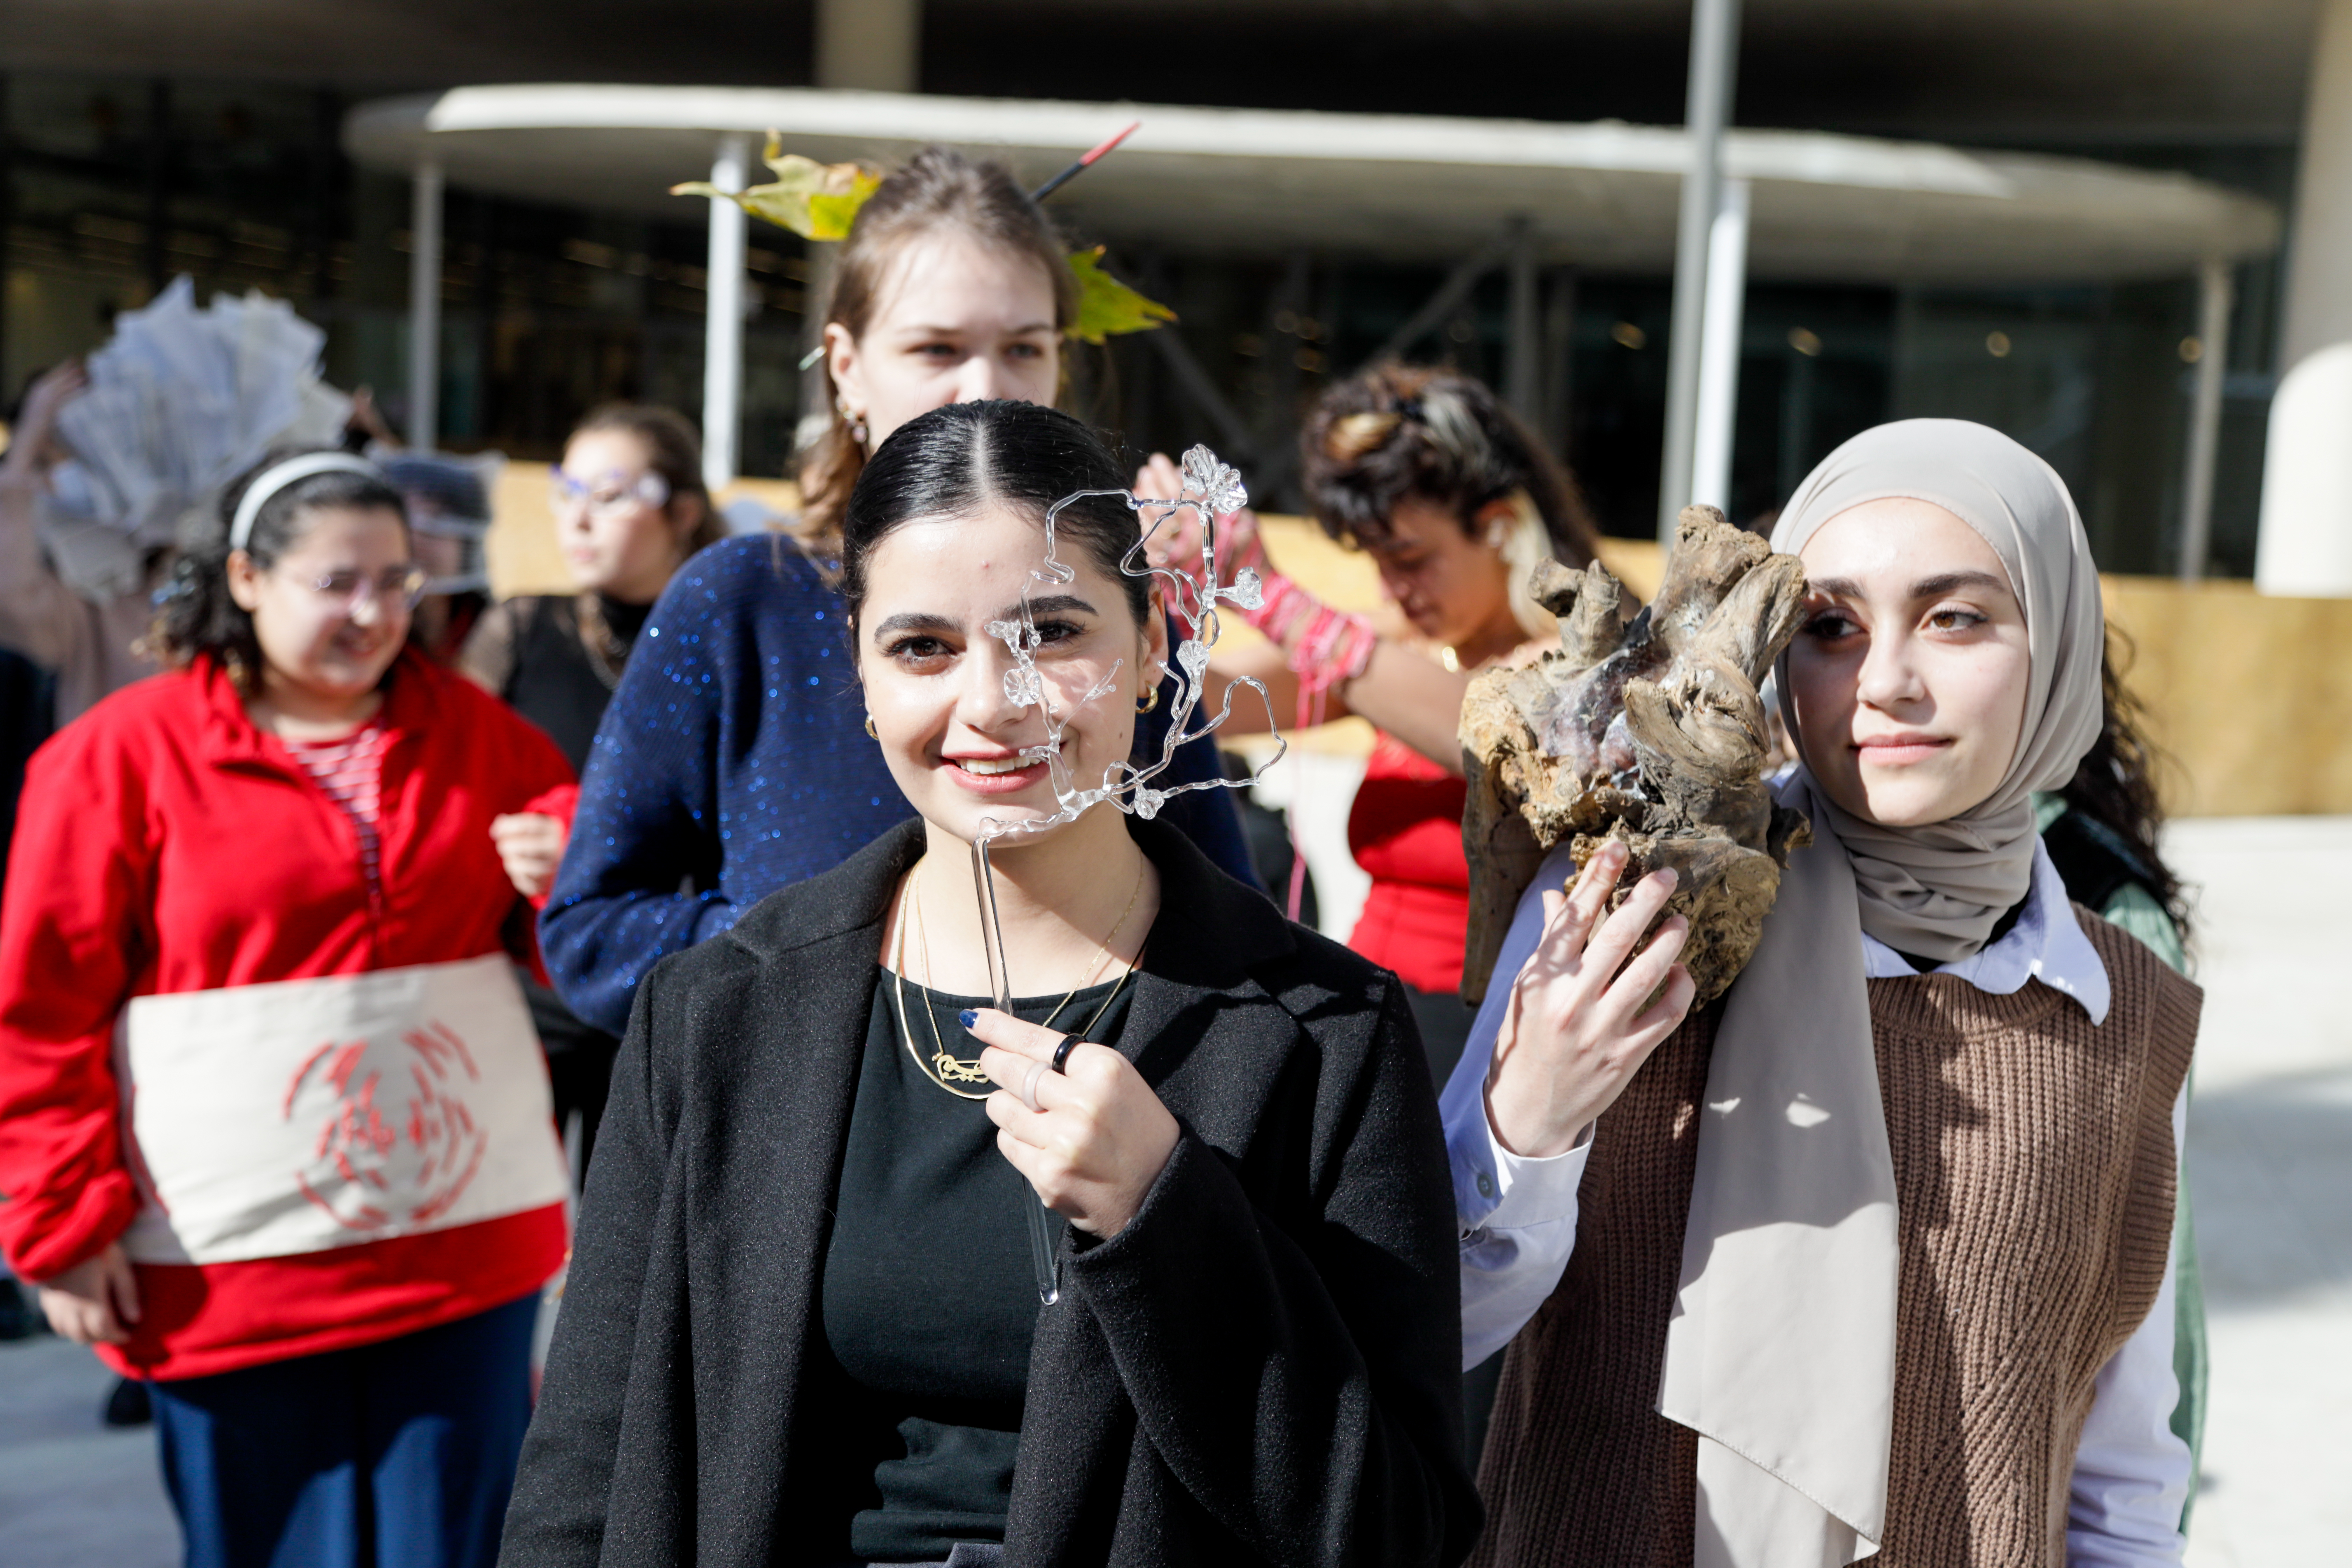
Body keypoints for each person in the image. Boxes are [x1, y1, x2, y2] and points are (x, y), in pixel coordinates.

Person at [500, 398, 1479, 1566]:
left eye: (1055, 632)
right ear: (859, 670)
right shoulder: (717, 1014)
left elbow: (1402, 1531)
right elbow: (584, 1483)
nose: (992, 703)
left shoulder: (1321, 1034)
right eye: (923, 647)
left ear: (1155, 643)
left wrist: (1169, 1221)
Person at [1452, 420, 2200, 1563]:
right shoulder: (1633, 910)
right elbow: (1430, 1324)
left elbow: (2120, 1468)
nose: (1888, 682)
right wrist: (1531, 1121)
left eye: (1957, 618)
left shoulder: (2125, 1012)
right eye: (1830, 628)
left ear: (2056, 645)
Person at [0, 451, 578, 1568]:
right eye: (337, 581)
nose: (373, 612)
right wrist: (63, 1224)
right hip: (233, 1261)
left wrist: (563, 873)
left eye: (398, 581)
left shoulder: (485, 739)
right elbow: (42, 1006)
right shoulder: (119, 756)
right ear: (248, 578)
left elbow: (582, 955)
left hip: (458, 1247)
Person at [540, 145, 1255, 1041]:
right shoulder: (740, 600)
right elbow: (593, 935)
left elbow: (1232, 940)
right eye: (937, 349)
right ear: (845, 364)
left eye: (1023, 348)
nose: (984, 390)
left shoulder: (1115, 609)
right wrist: (845, 955)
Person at [1138, 369, 1598, 1087]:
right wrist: (1159, 602)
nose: (1390, 588)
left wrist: (1279, 598)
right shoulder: (1399, 651)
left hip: (1502, 1037)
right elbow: (1216, 699)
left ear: (1501, 524)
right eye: (1377, 560)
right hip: (1369, 1011)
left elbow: (1498, 735)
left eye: (1411, 558)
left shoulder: (1586, 666)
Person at [458, 404, 724, 1175]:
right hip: (527, 992)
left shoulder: (727, 644)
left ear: (682, 510)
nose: (578, 516)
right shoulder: (521, 629)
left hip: (671, 986)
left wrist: (593, 844)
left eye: (611, 493)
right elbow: (445, 787)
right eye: (567, 488)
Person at [2036, 632, 2207, 1530]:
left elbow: (2150, 1270)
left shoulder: (2101, 903)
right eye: (1831, 634)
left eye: (1950, 619)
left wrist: (2145, 1530)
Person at [0, 360, 164, 723]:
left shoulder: (174, 552)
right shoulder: (68, 596)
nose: (60, 476)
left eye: (71, 453)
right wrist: (25, 443)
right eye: (43, 462)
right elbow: (14, 602)